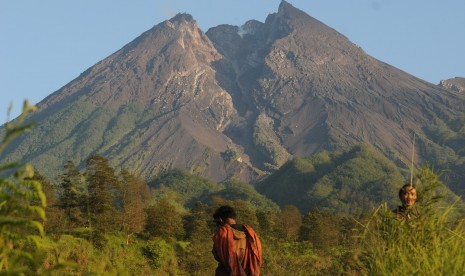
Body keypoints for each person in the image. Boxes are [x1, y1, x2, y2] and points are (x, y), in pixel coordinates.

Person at [212, 205, 262, 276]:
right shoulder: (249, 233)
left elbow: (217, 255)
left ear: (220, 220)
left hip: (226, 272)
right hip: (248, 272)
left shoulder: (222, 233)